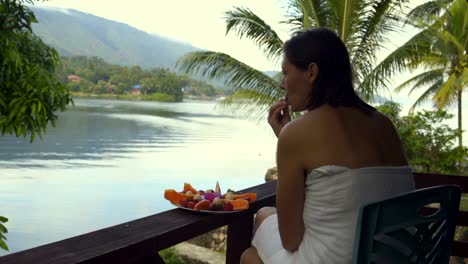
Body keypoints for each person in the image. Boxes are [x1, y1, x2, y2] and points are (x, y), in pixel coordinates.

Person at [240, 28, 415, 264]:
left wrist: (286, 139)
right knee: (263, 214)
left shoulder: (297, 133)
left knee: (250, 256)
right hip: (391, 257)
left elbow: (291, 239)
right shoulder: (384, 124)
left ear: (311, 72)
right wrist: (288, 138)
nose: (282, 84)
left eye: (286, 72)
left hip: (337, 259)